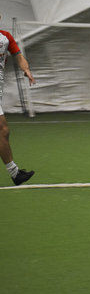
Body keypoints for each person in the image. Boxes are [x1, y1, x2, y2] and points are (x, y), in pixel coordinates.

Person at [0, 15, 36, 186]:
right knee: (2, 130)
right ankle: (15, 174)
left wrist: (27, 70)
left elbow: (19, 57)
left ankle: (15, 174)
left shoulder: (5, 38)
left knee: (3, 132)